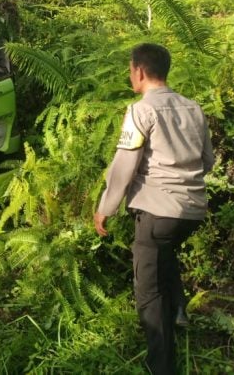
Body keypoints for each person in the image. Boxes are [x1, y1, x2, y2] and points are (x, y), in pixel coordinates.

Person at [93, 43, 215, 375]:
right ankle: (179, 311)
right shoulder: (194, 108)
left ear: (140, 71)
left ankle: (161, 367)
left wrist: (106, 206)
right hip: (192, 212)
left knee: (148, 292)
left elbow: (124, 165)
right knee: (165, 251)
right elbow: (208, 161)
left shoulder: (140, 111)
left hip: (156, 212)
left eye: (130, 69)